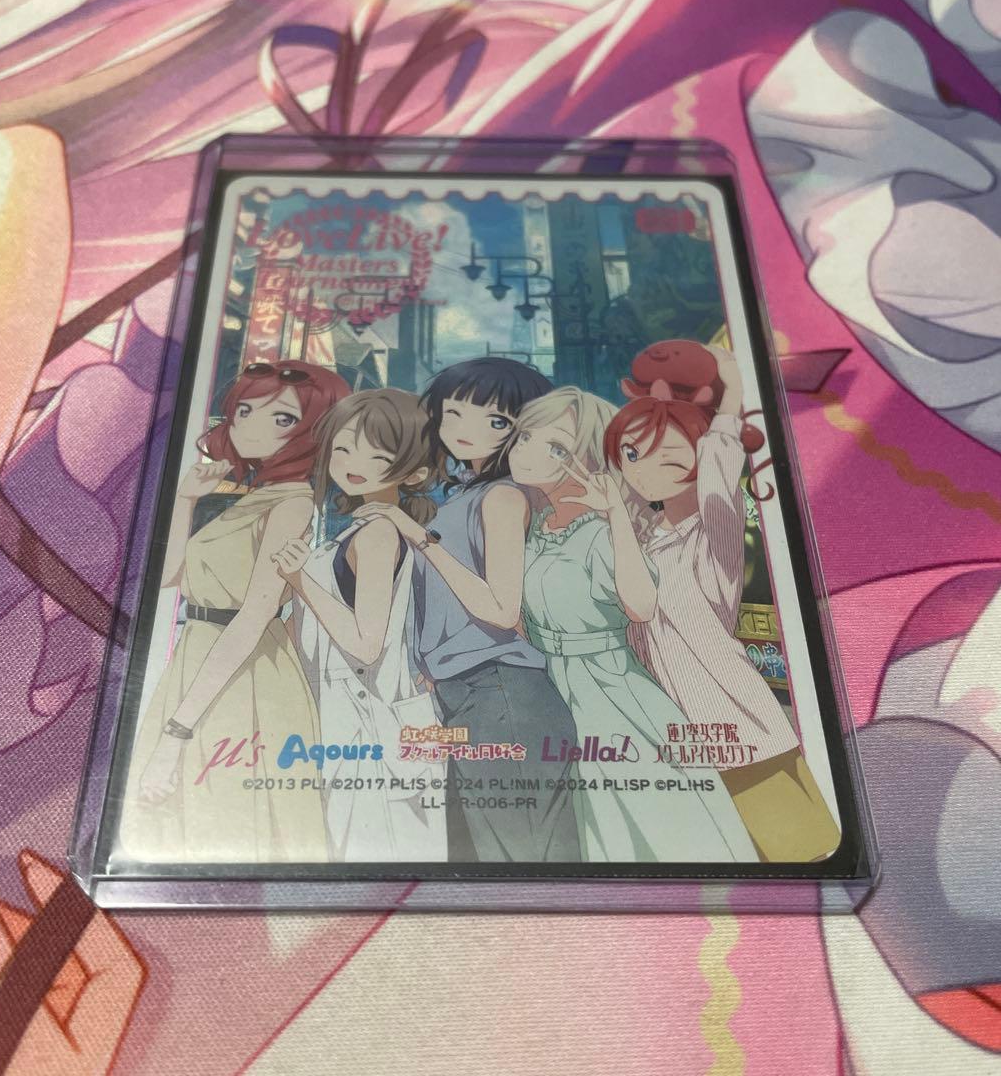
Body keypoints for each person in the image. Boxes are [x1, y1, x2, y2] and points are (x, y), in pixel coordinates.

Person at [606, 340, 841, 862]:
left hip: (726, 708)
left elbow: (718, 462)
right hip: (671, 719)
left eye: (668, 454)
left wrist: (732, 390)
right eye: (632, 455)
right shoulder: (644, 537)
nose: (643, 469)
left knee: (799, 846)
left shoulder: (712, 531)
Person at [508, 386, 756, 863]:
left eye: (555, 447)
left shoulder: (602, 533)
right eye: (525, 436)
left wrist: (615, 513)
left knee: (640, 823)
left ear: (586, 461)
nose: (526, 451)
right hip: (553, 686)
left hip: (611, 691)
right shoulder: (536, 527)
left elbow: (641, 605)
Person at [353, 357, 581, 863]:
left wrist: (420, 538)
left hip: (503, 692)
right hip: (466, 694)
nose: (465, 430)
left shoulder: (503, 497)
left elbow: (501, 608)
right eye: (453, 413)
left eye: (495, 421)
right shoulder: (464, 495)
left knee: (525, 856)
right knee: (488, 851)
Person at [125, 361, 349, 863]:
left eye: (282, 418)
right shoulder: (252, 496)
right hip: (199, 655)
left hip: (243, 672)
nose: (251, 426)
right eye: (245, 410)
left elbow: (253, 617)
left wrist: (176, 733)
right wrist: (185, 500)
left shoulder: (292, 504)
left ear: (313, 432)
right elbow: (169, 577)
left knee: (225, 813)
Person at [274, 389, 447, 862]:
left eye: (378, 455)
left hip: (370, 717)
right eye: (345, 448)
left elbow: (367, 646)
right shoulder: (361, 528)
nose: (354, 463)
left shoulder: (378, 534)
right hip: (360, 713)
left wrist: (299, 580)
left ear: (414, 473)